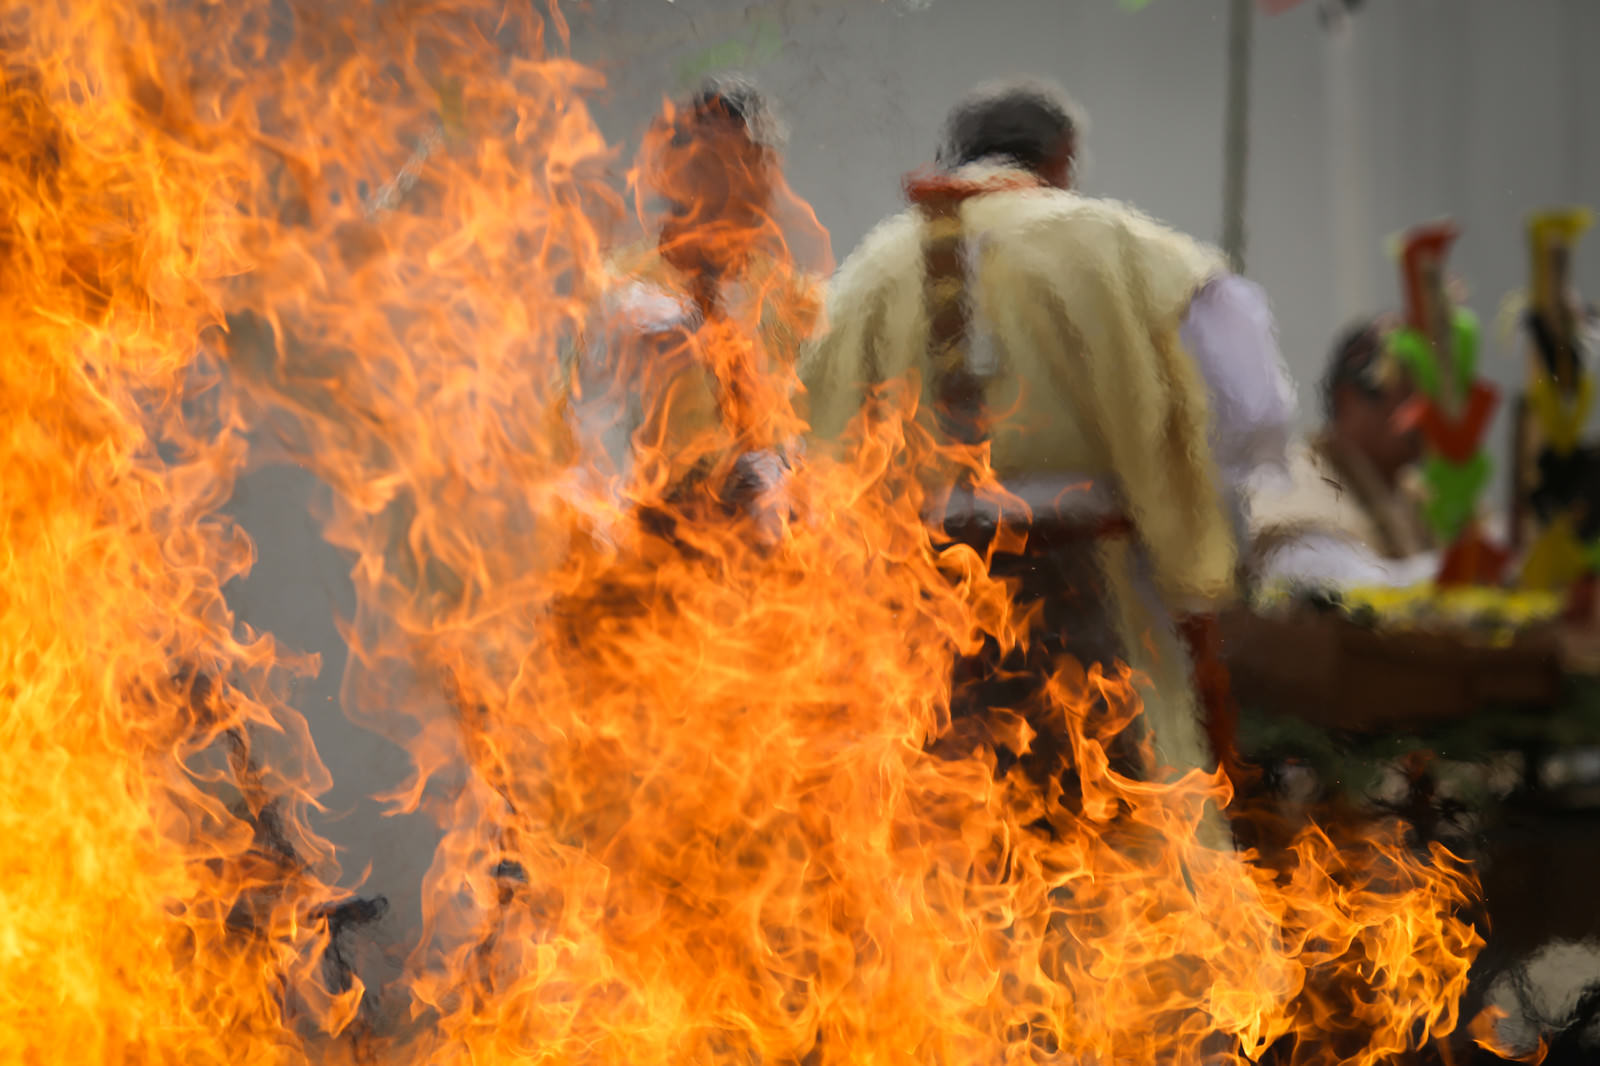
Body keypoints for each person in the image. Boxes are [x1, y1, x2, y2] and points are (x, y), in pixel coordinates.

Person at [800, 78, 1295, 782]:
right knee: (1119, 812)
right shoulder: (1118, 245)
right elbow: (1256, 409)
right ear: (1062, 160)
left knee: (949, 835)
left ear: (955, 156)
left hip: (927, 601)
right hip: (1090, 578)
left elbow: (812, 438)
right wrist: (1191, 516)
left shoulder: (871, 271)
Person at [563, 75, 826, 536]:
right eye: (711, 166)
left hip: (766, 558)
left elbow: (817, 433)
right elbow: (579, 441)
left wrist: (784, 478)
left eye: (750, 167)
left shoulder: (794, 299)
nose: (732, 187)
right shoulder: (615, 287)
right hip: (654, 544)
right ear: (674, 171)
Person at [1247, 317, 1439, 589]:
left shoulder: (1417, 494)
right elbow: (1309, 579)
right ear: (1348, 400)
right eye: (1408, 396)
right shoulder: (1294, 481)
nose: (1427, 417)